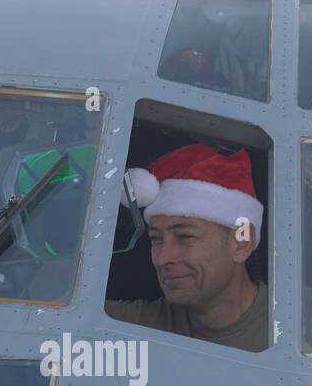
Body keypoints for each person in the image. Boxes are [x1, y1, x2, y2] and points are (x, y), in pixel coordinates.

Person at [106, 144, 269, 352]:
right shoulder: (125, 328)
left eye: (184, 236)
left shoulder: (311, 326)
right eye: (155, 238)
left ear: (241, 243)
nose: (162, 258)